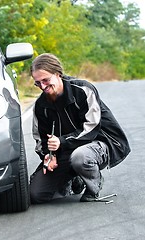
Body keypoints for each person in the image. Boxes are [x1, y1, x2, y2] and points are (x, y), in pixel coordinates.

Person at [29, 53, 131, 204]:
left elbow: (92, 128)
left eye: (46, 80)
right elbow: (41, 138)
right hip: (66, 149)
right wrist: (49, 155)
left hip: (100, 143)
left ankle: (93, 186)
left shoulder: (83, 90)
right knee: (35, 194)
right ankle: (73, 178)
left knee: (80, 157)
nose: (42, 87)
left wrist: (61, 142)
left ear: (58, 74)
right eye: (37, 83)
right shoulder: (40, 106)